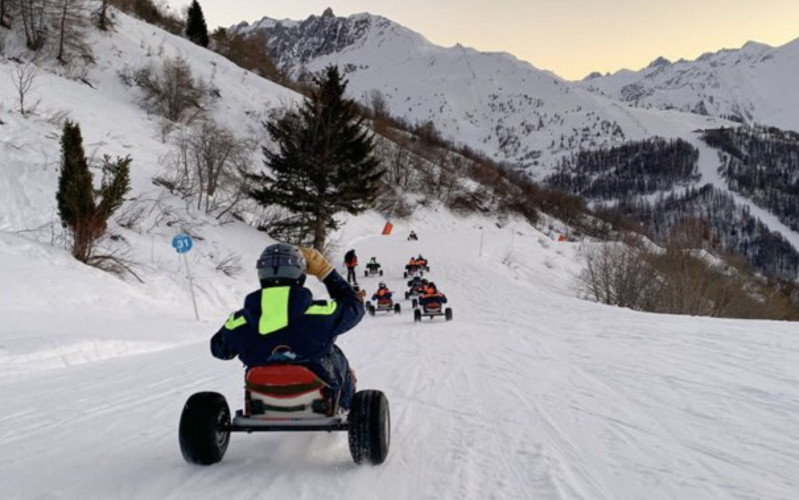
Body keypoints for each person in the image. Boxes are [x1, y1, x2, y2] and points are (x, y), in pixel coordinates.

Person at [210, 243, 365, 409]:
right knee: (335, 355)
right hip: (318, 389)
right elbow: (355, 307)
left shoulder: (240, 320)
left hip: (263, 392)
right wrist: (326, 272)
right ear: (300, 273)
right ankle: (344, 409)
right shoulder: (321, 313)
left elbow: (219, 350)